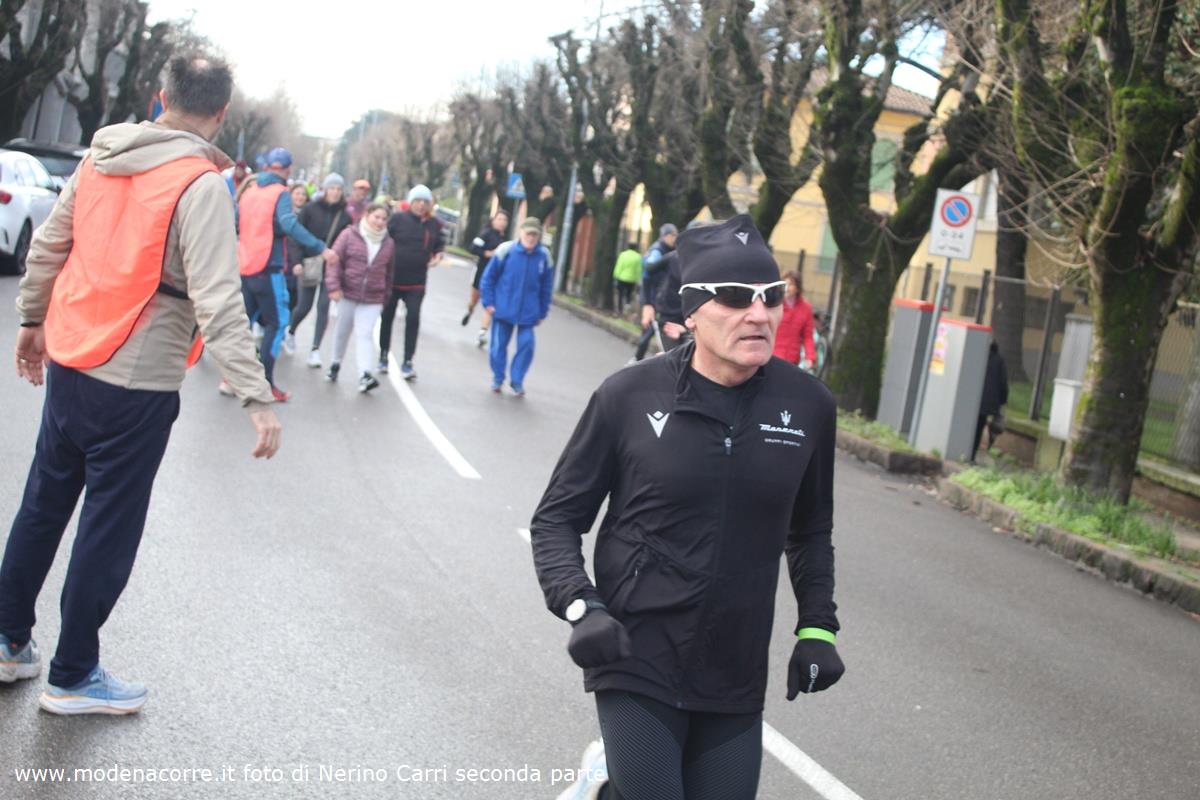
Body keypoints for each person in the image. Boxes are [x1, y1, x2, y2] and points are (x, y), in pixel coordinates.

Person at [0, 55, 282, 715]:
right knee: (109, 524)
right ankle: (73, 674)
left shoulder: (101, 158)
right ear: (221, 113)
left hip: (72, 356)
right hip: (136, 379)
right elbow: (218, 299)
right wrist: (256, 395)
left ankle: (8, 640)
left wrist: (32, 321)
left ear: (160, 97)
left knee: (43, 503)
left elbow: (49, 246)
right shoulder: (200, 184)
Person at [532, 215, 843, 799]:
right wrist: (580, 605)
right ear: (692, 311)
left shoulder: (807, 407)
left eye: (771, 296)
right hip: (635, 650)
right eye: (735, 298)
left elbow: (809, 530)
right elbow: (557, 519)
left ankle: (604, 791)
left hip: (735, 664)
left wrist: (817, 628)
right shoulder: (629, 395)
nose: (759, 314)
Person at [236, 146, 336, 401]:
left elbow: (236, 222)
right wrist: (320, 248)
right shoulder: (279, 192)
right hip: (268, 266)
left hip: (245, 265)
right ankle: (265, 383)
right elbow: (288, 223)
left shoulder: (249, 191)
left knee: (243, 323)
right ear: (289, 170)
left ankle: (230, 378)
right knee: (278, 323)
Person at [324, 203, 394, 393]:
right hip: (348, 292)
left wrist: (385, 297)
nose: (379, 222)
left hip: (373, 297)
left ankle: (365, 374)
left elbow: (389, 273)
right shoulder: (349, 235)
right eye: (376, 217)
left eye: (384, 219)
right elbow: (334, 261)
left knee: (365, 334)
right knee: (342, 330)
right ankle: (335, 363)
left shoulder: (388, 243)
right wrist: (334, 287)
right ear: (367, 215)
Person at [480, 216, 553, 396]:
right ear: (521, 233)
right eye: (528, 234)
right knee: (498, 347)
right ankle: (498, 378)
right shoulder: (506, 251)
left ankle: (517, 380)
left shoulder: (544, 256)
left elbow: (546, 287)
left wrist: (542, 312)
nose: (531, 238)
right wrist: (489, 302)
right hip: (503, 309)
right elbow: (488, 278)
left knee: (527, 345)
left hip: (528, 313)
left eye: (535, 235)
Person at [380, 184, 444, 380]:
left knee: (413, 319)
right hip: (393, 278)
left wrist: (438, 255)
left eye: (425, 202)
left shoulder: (434, 224)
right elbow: (384, 240)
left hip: (417, 281)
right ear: (411, 202)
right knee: (387, 317)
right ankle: (383, 355)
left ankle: (408, 361)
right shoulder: (398, 219)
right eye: (418, 201)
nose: (421, 205)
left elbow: (439, 244)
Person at [291, 173, 352, 368]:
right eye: (332, 188)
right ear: (325, 189)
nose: (335, 192)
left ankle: (315, 349)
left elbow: (348, 245)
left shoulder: (345, 216)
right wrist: (296, 261)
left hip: (332, 267)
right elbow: (296, 236)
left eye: (338, 189)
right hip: (309, 263)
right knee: (304, 306)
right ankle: (290, 331)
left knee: (323, 307)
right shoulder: (310, 209)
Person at [463, 209, 510, 347]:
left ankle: (482, 333)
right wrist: (487, 253)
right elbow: (473, 248)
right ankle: (469, 311)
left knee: (489, 305)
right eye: (499, 219)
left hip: (495, 277)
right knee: (474, 301)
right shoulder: (485, 234)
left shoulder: (505, 241)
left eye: (504, 220)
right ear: (493, 220)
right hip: (481, 272)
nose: (502, 222)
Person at [633, 224, 678, 361]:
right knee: (650, 329)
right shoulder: (658, 251)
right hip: (654, 298)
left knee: (651, 330)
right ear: (667, 236)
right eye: (673, 235)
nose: (675, 238)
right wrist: (648, 303)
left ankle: (638, 360)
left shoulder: (667, 250)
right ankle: (637, 360)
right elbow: (647, 275)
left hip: (658, 297)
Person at [282, 182, 310, 354]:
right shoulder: (283, 212)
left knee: (296, 300)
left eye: (303, 194)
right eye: (297, 193)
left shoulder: (309, 214)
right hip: (283, 259)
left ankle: (287, 329)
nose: (300, 197)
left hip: (300, 261)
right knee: (280, 296)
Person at [773, 270, 817, 371]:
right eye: (785, 284)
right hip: (772, 358)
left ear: (797, 288)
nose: (787, 288)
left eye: (791, 284)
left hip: (792, 360)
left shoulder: (806, 308)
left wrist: (810, 357)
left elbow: (808, 336)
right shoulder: (775, 304)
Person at [973, 341, 1010, 462]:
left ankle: (968, 450)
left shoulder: (977, 356)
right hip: (988, 401)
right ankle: (973, 452)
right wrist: (1002, 401)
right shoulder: (999, 360)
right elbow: (1003, 383)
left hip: (973, 397)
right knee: (980, 424)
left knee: (973, 424)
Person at [612, 242, 641, 313]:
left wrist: (615, 275)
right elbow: (638, 269)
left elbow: (619, 266)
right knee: (629, 293)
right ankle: (627, 305)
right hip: (632, 279)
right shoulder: (638, 257)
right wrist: (638, 279)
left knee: (620, 293)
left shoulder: (623, 255)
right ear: (635, 248)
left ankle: (620, 309)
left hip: (621, 277)